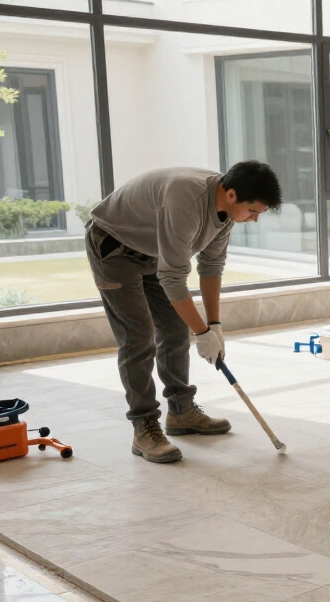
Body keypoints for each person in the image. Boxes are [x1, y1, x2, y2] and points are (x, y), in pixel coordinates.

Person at [85, 161, 282, 464]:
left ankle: (181, 411)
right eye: (253, 211)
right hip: (114, 246)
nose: (254, 219)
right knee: (138, 337)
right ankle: (143, 426)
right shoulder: (185, 201)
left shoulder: (226, 216)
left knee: (176, 329)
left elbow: (211, 268)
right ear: (231, 194)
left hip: (154, 250)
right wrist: (202, 333)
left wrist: (213, 326)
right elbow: (173, 277)